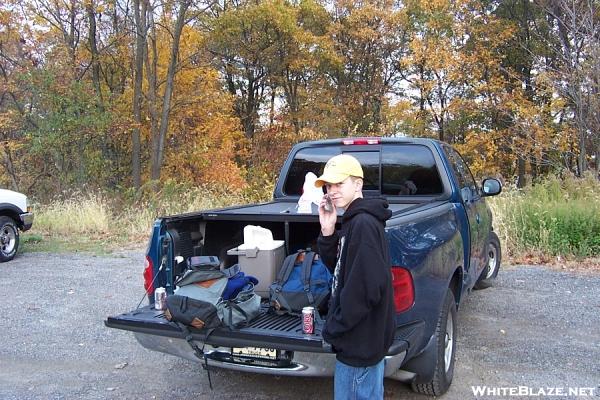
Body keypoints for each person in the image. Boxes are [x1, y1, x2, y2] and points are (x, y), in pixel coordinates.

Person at [314, 154, 396, 400]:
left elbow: (366, 288)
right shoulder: (352, 221)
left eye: (340, 184)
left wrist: (335, 327)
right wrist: (328, 231)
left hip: (358, 344)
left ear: (358, 184)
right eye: (329, 185)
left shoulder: (363, 224)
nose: (332, 191)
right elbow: (341, 269)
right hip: (361, 341)